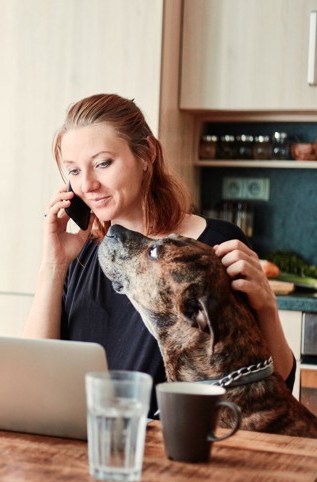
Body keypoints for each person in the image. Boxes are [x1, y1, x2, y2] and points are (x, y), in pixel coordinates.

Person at [23, 93, 296, 411]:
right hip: (87, 444)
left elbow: (274, 384)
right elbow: (33, 377)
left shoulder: (212, 248)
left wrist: (267, 310)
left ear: (146, 154)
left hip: (174, 450)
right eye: (73, 171)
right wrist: (53, 266)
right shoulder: (82, 255)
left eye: (102, 164)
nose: (88, 185)